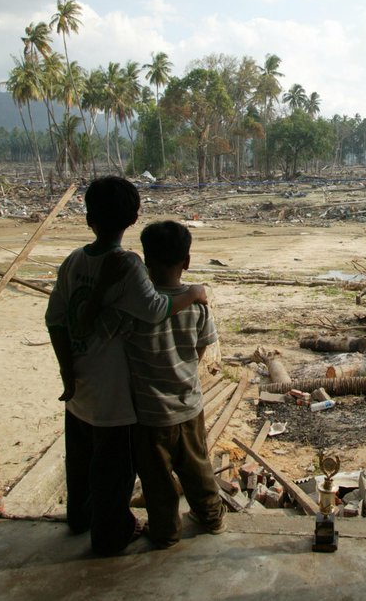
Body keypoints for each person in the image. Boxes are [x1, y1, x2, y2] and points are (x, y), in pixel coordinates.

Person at [45, 177, 207, 556]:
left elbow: (55, 320)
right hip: (116, 393)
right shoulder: (130, 265)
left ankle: (79, 518)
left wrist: (67, 371)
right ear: (134, 219)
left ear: (88, 219)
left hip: (80, 387)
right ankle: (110, 536)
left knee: (81, 462)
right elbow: (154, 310)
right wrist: (194, 293)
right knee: (114, 472)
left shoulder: (73, 261)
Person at [126, 220, 225, 549]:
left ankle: (166, 530)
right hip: (187, 405)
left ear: (145, 261)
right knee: (197, 465)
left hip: (148, 412)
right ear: (187, 261)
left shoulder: (135, 306)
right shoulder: (196, 304)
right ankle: (211, 516)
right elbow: (200, 349)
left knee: (156, 479)